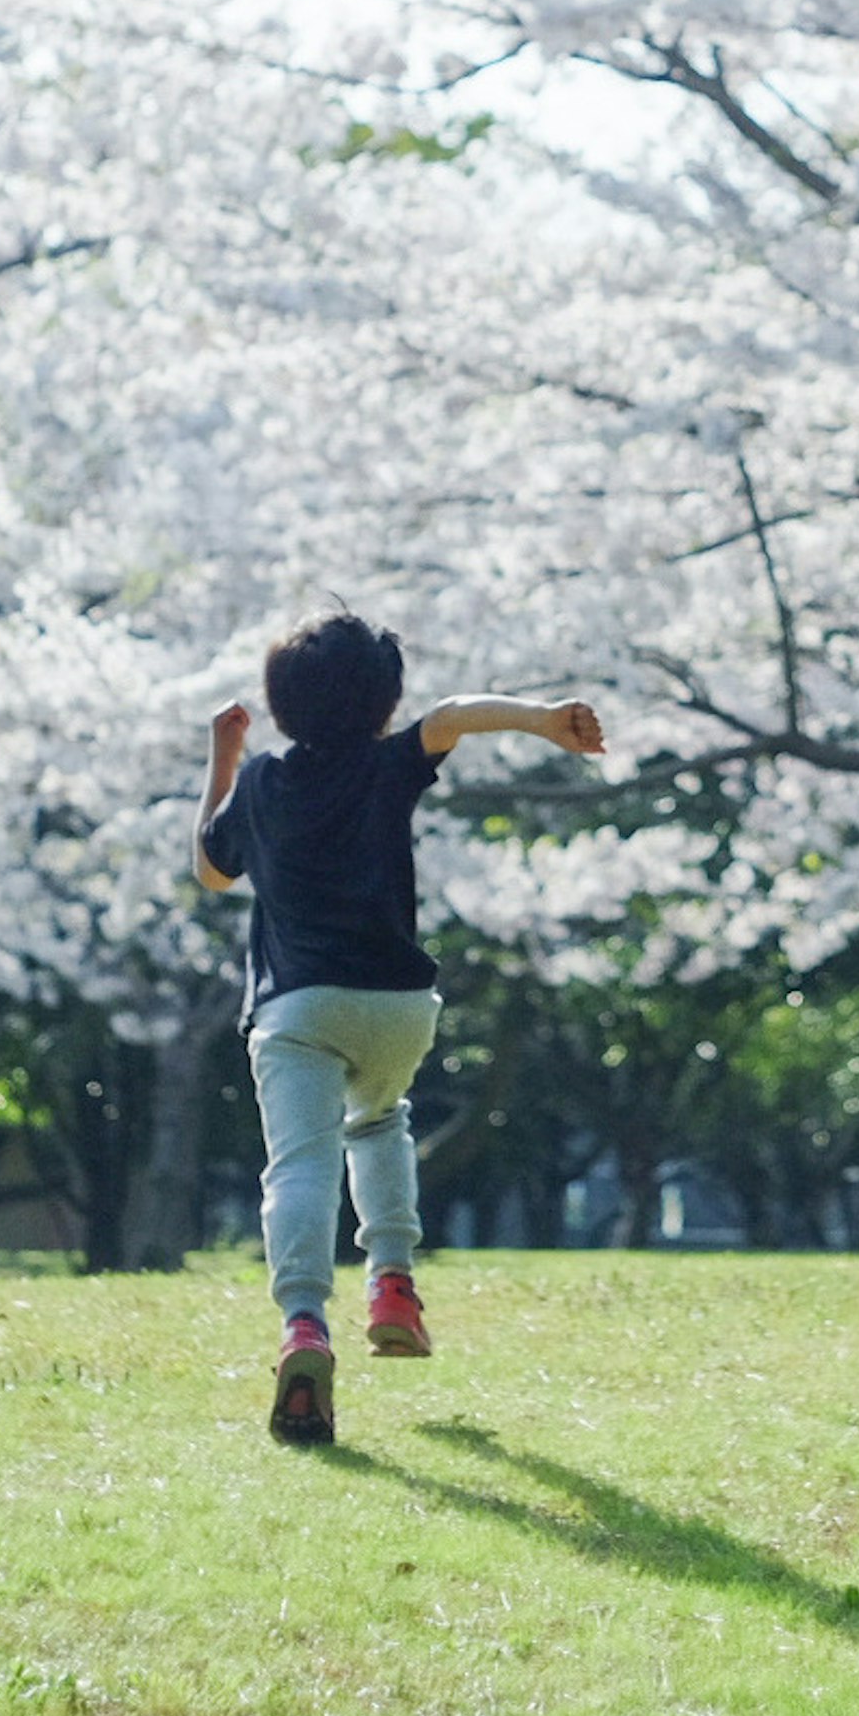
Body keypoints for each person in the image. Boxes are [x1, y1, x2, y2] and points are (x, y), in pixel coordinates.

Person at [194, 611, 606, 1446]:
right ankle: (392, 1282)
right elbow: (453, 715)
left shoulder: (265, 782)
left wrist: (223, 763)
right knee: (378, 1122)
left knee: (301, 1165)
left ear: (281, 704)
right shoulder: (390, 765)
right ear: (384, 706)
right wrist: (542, 720)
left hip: (297, 1008)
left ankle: (305, 1324)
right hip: (397, 1005)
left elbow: (210, 869)